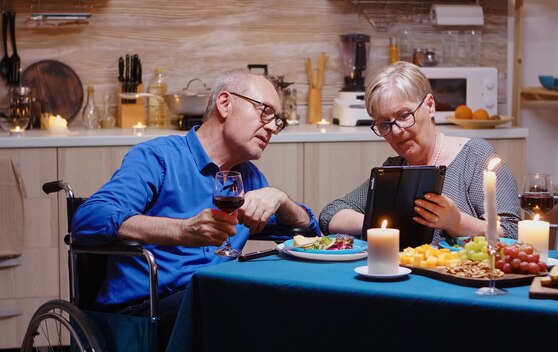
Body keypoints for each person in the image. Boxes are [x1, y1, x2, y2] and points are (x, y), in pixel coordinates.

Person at [72, 69, 319, 350]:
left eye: (278, 120)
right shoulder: (158, 158)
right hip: (145, 310)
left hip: (212, 299)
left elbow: (307, 231)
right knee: (235, 304)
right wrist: (181, 230)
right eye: (265, 112)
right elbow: (89, 218)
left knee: (280, 301)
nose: (273, 127)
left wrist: (280, 198)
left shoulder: (250, 179)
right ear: (225, 103)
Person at [319, 61, 520, 244]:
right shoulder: (394, 169)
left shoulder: (475, 156)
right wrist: (381, 222)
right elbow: (330, 215)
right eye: (384, 124)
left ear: (430, 106)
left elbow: (513, 233)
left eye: (404, 115)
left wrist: (456, 222)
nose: (396, 130)